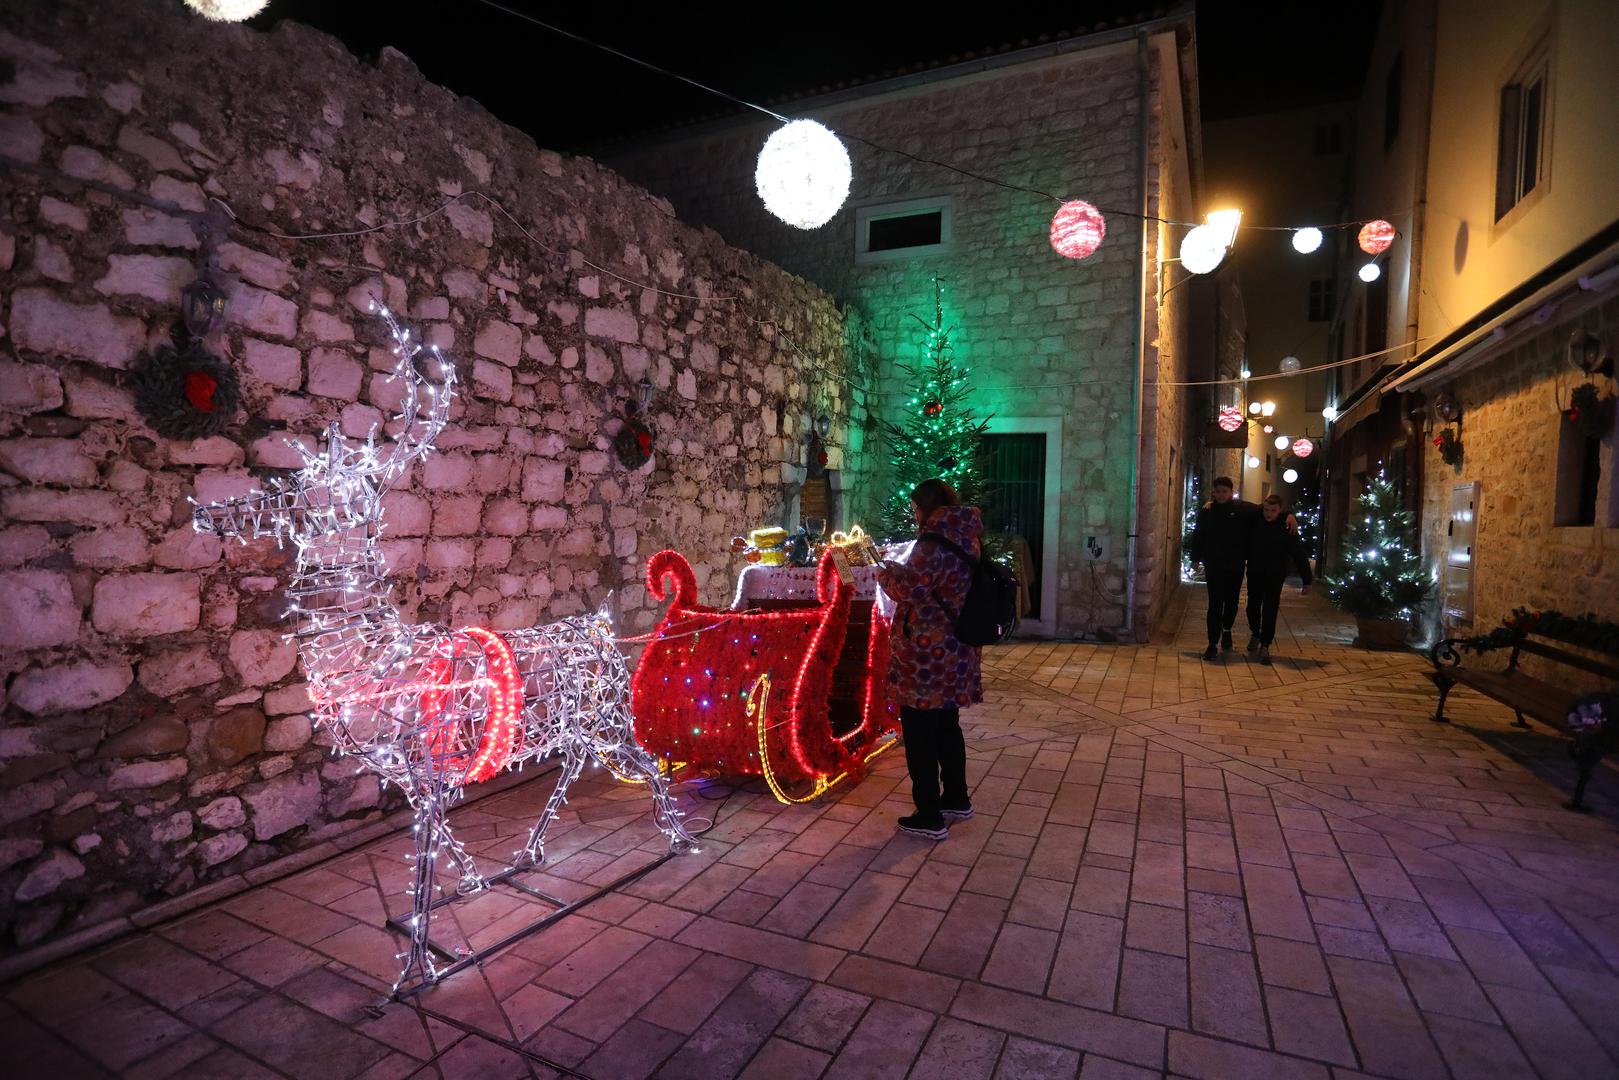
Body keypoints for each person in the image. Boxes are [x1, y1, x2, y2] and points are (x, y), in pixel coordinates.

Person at [876, 478, 982, 840]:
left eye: (915, 508)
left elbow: (911, 589)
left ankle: (929, 815)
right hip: (957, 647)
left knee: (920, 733)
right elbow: (938, 582)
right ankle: (957, 797)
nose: (914, 515)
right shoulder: (967, 535)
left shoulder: (931, 541)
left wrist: (884, 574)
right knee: (948, 724)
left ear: (925, 507)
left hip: (924, 653)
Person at [1188, 477, 1253, 662]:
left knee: (1231, 602)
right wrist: (1195, 558)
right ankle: (1212, 643)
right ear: (1214, 493)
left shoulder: (1242, 509)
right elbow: (1199, 534)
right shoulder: (1207, 512)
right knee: (1215, 604)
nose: (1221, 495)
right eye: (1218, 491)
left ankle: (1227, 629)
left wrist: (1288, 514)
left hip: (1235, 564)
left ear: (1231, 492)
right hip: (1214, 564)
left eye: (1225, 491)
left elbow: (1264, 509)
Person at [1245, 494, 1314, 664]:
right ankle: (1255, 632)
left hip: (1275, 574)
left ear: (1279, 511)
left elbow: (1298, 554)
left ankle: (1265, 643)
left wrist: (1307, 580)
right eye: (1266, 510)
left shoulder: (1286, 528)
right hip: (1255, 572)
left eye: (1273, 511)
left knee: (1270, 608)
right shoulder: (1256, 521)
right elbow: (1243, 506)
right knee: (1252, 606)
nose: (1269, 514)